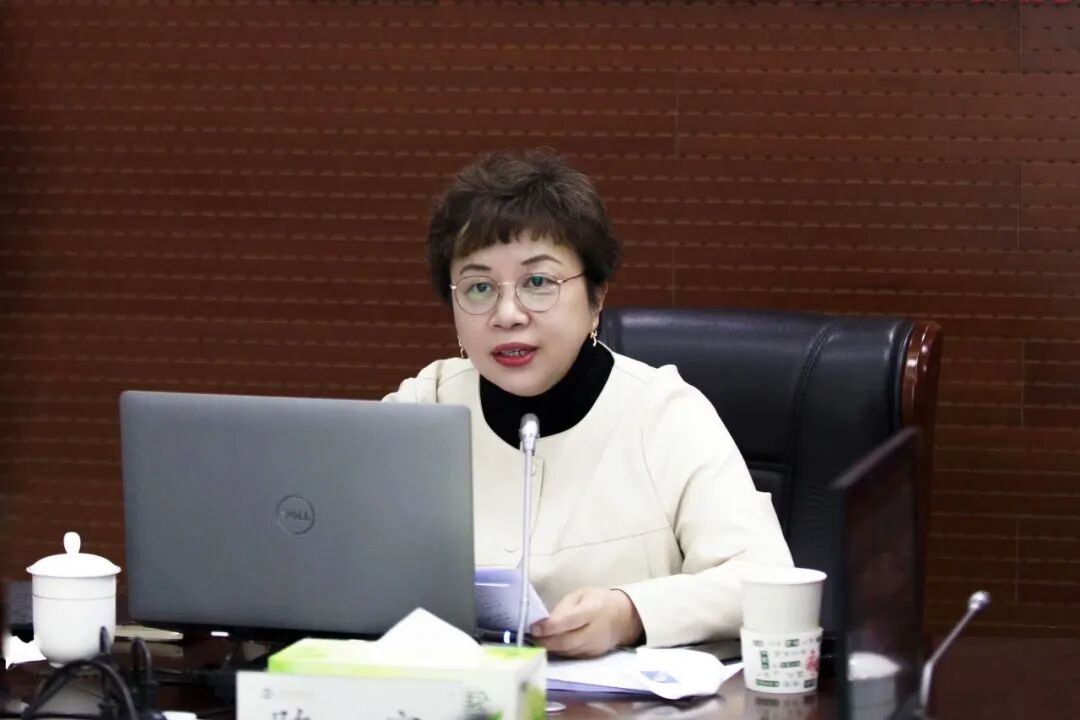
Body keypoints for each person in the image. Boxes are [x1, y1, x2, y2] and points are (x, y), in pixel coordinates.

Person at [384, 149, 793, 657]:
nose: (507, 314)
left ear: (596, 297)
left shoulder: (664, 415)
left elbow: (767, 580)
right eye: (479, 287)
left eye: (538, 283)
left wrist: (631, 612)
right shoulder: (423, 407)